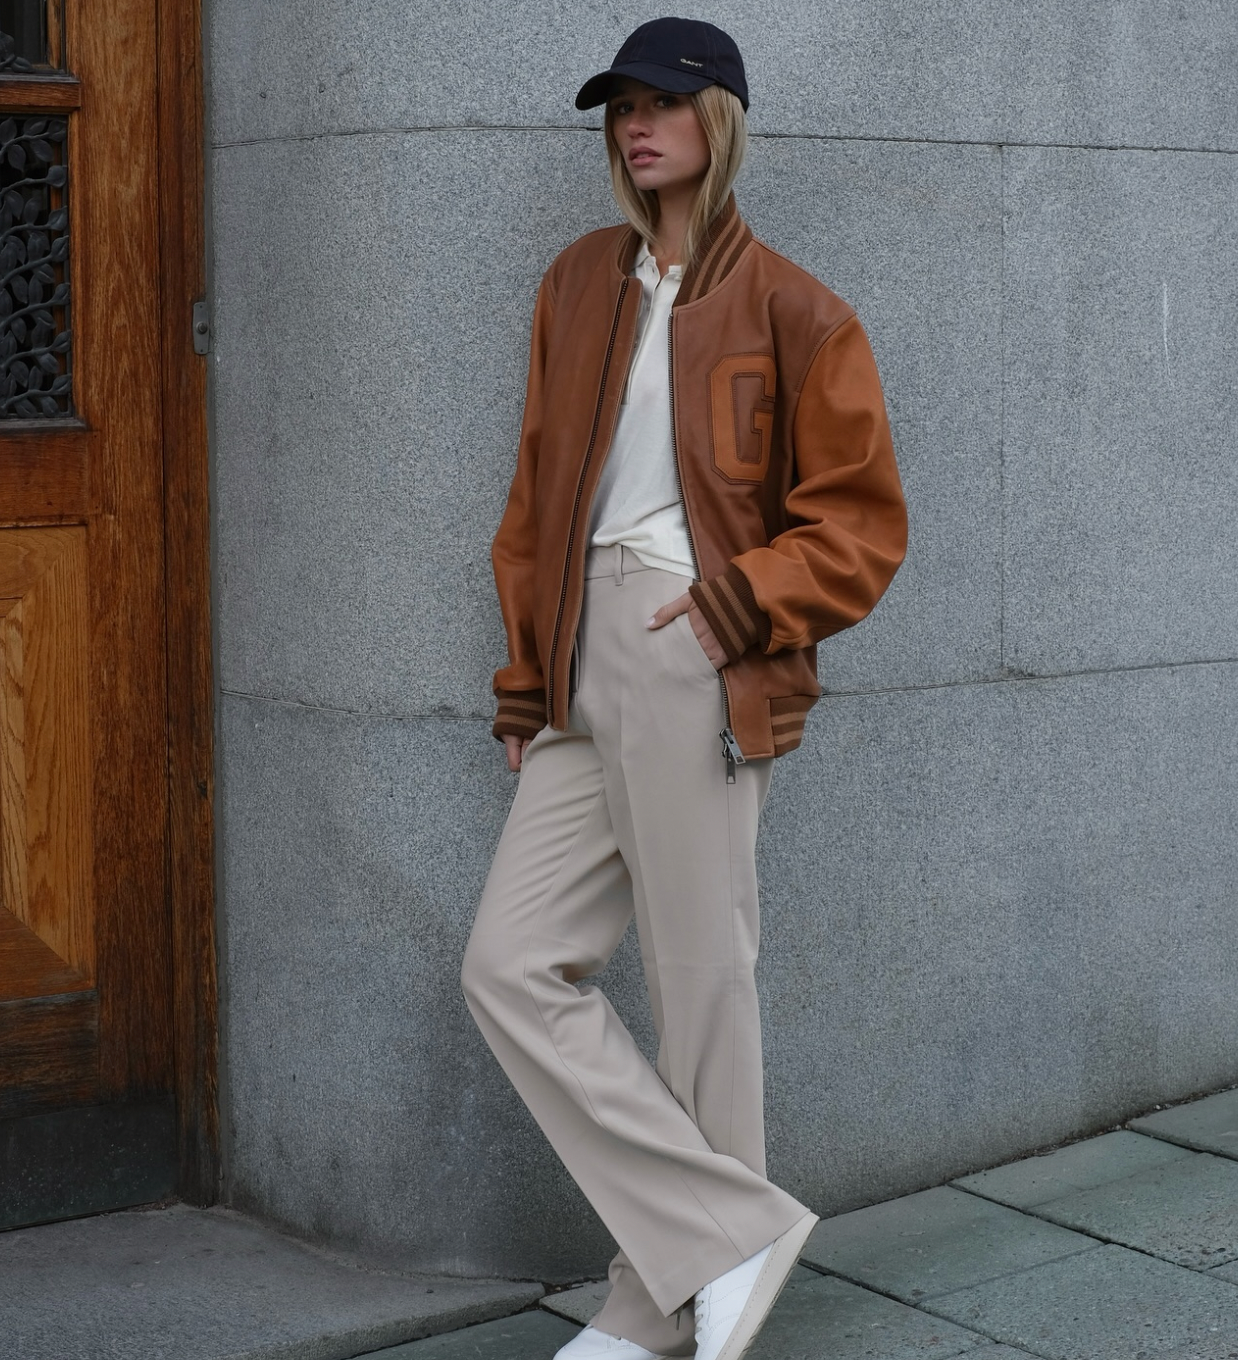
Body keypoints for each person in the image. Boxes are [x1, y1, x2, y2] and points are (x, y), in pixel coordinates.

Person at [460, 17, 907, 1360]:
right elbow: (536, 496)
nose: (636, 125)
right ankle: (728, 1235)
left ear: (720, 120)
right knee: (508, 967)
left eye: (662, 102)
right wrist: (525, 681)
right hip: (577, 657)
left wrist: (728, 610)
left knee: (700, 980)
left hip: (689, 644)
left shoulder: (797, 310)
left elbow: (860, 526)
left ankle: (652, 1308)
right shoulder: (577, 283)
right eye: (620, 107)